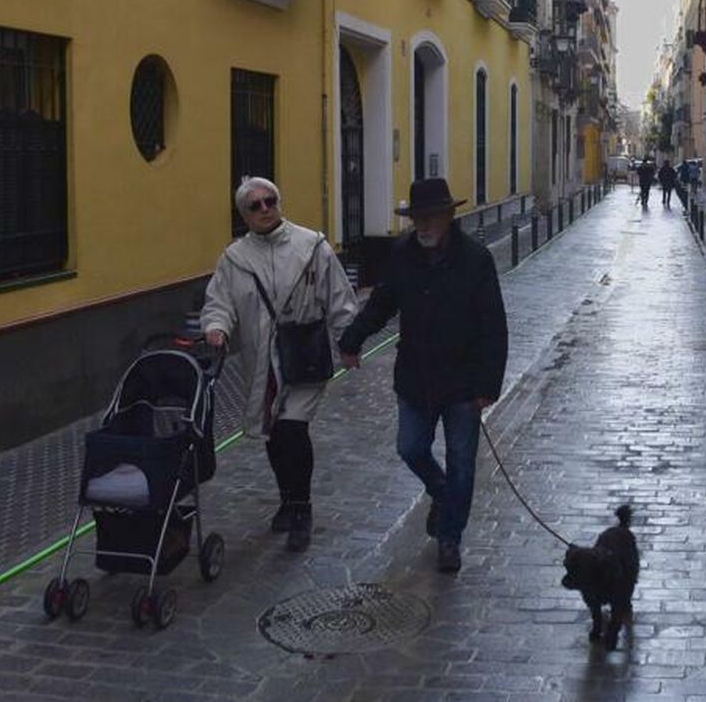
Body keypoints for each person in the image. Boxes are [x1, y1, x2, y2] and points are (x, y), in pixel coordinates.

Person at [337, 178, 508, 574]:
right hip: (415, 376)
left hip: (463, 382)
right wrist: (352, 339)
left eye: (432, 217)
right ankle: (442, 493)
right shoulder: (401, 256)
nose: (425, 226)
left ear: (449, 216)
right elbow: (381, 304)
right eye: (418, 219)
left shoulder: (476, 260)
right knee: (410, 448)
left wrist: (488, 385)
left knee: (462, 461)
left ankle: (450, 538)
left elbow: (493, 325)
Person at [201, 177, 359, 552]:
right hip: (262, 362)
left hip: (303, 355)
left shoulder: (311, 246)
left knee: (292, 428)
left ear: (279, 201)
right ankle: (287, 500)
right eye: (254, 205)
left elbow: (339, 297)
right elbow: (219, 301)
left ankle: (302, 509)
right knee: (272, 431)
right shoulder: (234, 259)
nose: (264, 208)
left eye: (269, 200)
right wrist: (217, 328)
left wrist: (348, 340)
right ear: (244, 215)